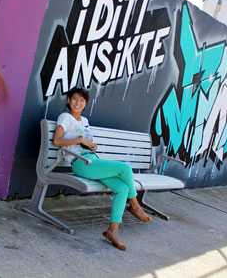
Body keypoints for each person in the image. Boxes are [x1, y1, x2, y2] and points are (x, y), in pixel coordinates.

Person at [52, 86, 152, 251]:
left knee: (122, 188)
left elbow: (86, 142)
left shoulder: (84, 121)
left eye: (82, 100)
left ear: (85, 104)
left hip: (92, 160)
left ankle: (113, 230)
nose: (78, 103)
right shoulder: (66, 117)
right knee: (125, 168)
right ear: (69, 100)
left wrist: (91, 145)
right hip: (81, 163)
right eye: (75, 99)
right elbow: (57, 141)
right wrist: (79, 141)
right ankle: (135, 205)